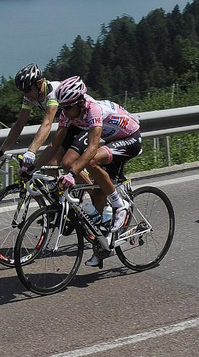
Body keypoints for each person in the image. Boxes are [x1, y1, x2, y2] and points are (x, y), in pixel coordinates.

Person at [44, 76, 141, 267]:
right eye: (62, 108)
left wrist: (72, 175)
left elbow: (92, 148)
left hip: (130, 138)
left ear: (80, 103)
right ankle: (103, 244)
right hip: (113, 142)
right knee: (97, 193)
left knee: (91, 159)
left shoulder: (94, 110)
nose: (63, 112)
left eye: (67, 108)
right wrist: (33, 168)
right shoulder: (69, 111)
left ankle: (119, 205)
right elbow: (54, 144)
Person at [0, 64, 62, 169]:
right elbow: (19, 124)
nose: (26, 95)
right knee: (50, 164)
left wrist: (31, 151)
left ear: (39, 83)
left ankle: (91, 186)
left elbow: (47, 123)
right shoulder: (31, 96)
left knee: (68, 163)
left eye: (27, 90)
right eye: (23, 92)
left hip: (85, 120)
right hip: (69, 123)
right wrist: (2, 150)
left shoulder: (52, 94)